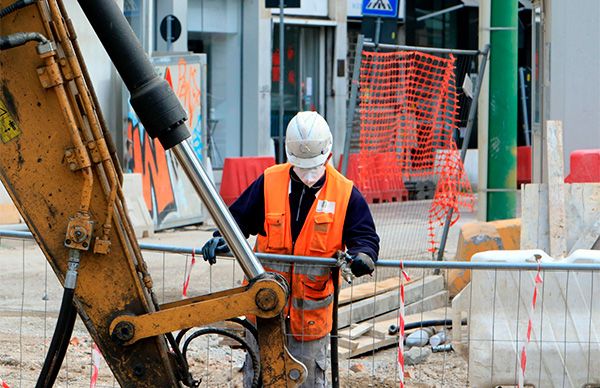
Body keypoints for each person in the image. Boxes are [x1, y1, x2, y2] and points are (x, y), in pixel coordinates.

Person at [202, 111, 380, 387]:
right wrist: (222, 237)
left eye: (313, 167)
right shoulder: (269, 182)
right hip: (264, 309)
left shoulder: (345, 193)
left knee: (305, 381)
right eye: (301, 167)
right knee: (259, 378)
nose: (308, 174)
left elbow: (364, 235)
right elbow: (237, 219)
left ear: (328, 156)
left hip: (308, 320)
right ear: (289, 157)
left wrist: (364, 256)